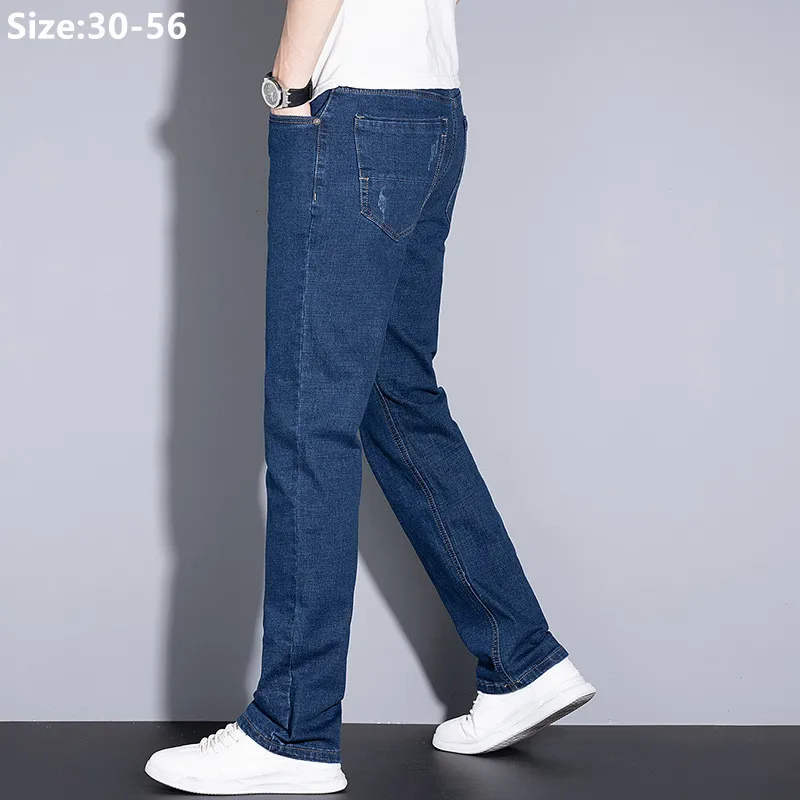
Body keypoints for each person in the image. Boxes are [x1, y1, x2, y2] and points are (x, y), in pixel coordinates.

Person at [145, 0, 595, 793]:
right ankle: (520, 657)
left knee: (310, 420)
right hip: (432, 110)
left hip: (348, 112)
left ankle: (293, 729)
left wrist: (288, 90)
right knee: (397, 395)